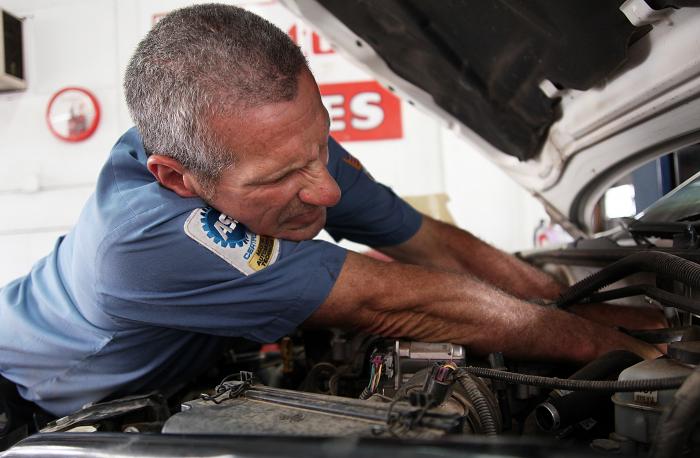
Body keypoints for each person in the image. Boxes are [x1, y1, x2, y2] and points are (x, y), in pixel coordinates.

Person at [0, 4, 663, 421]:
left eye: (320, 146)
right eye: (287, 176)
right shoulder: (144, 242)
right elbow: (399, 301)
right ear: (176, 177)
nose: (325, 189)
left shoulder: (273, 142)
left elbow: (426, 242)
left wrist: (571, 302)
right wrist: (637, 364)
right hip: (32, 398)